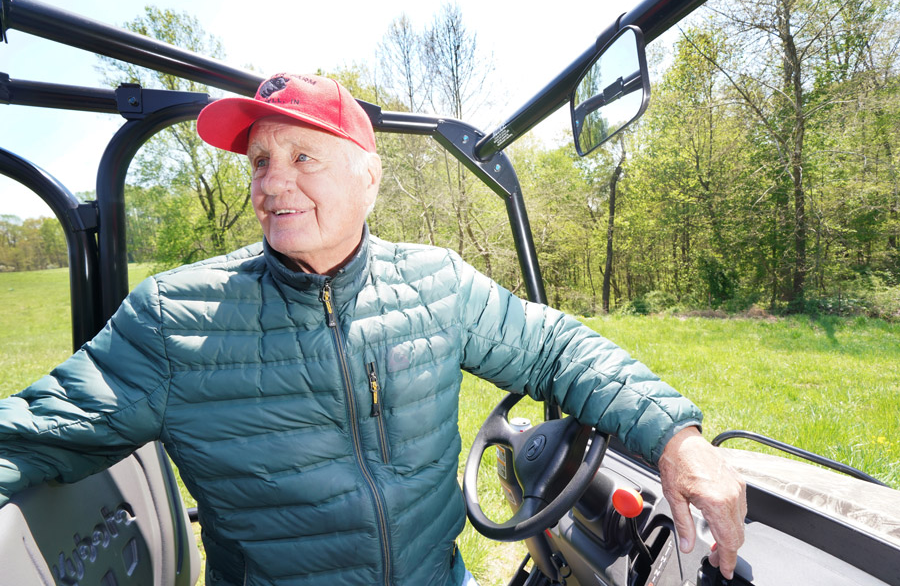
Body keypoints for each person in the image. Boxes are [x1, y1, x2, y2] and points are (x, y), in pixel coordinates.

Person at [0, 72, 746, 586]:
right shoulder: (174, 319)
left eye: (302, 156)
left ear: (370, 177)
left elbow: (555, 347)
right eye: (259, 161)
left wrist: (676, 439)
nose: (272, 181)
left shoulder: (437, 283)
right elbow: (28, 434)